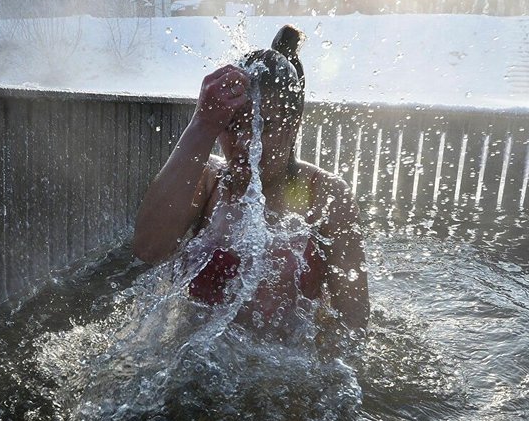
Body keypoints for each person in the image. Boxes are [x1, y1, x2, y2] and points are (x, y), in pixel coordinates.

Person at [132, 25, 370, 337]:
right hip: (200, 360)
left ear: (293, 125)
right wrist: (202, 124)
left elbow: (353, 322)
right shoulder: (207, 181)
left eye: (264, 127)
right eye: (232, 126)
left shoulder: (325, 195)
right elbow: (148, 250)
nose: (246, 142)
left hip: (291, 370)